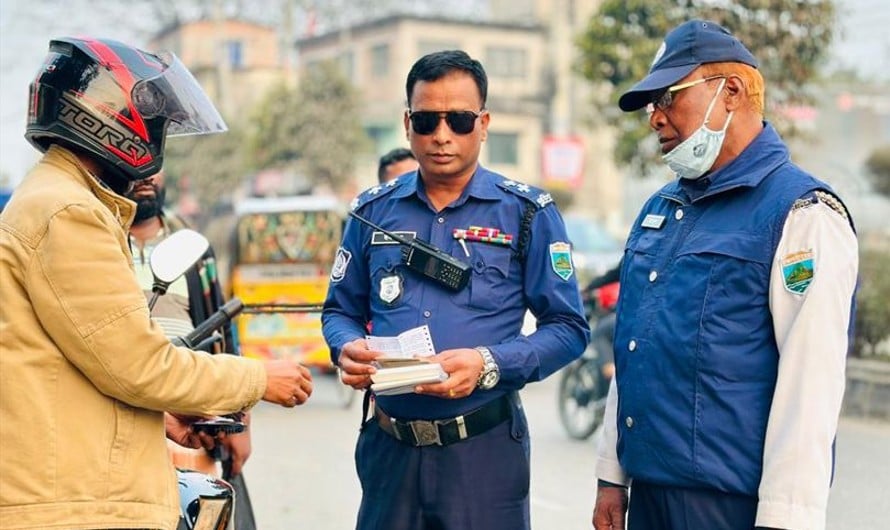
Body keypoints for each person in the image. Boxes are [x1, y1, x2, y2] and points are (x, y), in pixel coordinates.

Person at [0, 37, 313, 530]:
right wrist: (256, 378)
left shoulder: (56, 200)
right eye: (157, 125)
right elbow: (139, 364)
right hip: (75, 506)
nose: (158, 143)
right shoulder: (69, 211)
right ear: (109, 117)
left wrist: (165, 414)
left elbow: (84, 366)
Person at [591, 20, 858, 530]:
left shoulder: (802, 214)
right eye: (652, 104)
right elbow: (635, 349)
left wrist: (786, 520)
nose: (656, 118)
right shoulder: (662, 210)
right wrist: (612, 475)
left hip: (731, 507)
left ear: (730, 91)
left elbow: (810, 388)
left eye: (668, 98)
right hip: (650, 496)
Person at [322, 49, 589, 530]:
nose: (441, 135)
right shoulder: (372, 212)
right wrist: (346, 348)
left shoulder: (526, 213)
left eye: (459, 120)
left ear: (484, 123)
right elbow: (338, 310)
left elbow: (568, 328)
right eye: (426, 120)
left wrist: (489, 363)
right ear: (407, 124)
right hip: (390, 450)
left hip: (482, 454)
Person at [127, 169, 258, 528]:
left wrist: (241, 423)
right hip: (128, 413)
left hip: (191, 414)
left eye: (155, 166)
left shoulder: (193, 247)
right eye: (136, 164)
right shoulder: (99, 246)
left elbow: (223, 333)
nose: (146, 176)